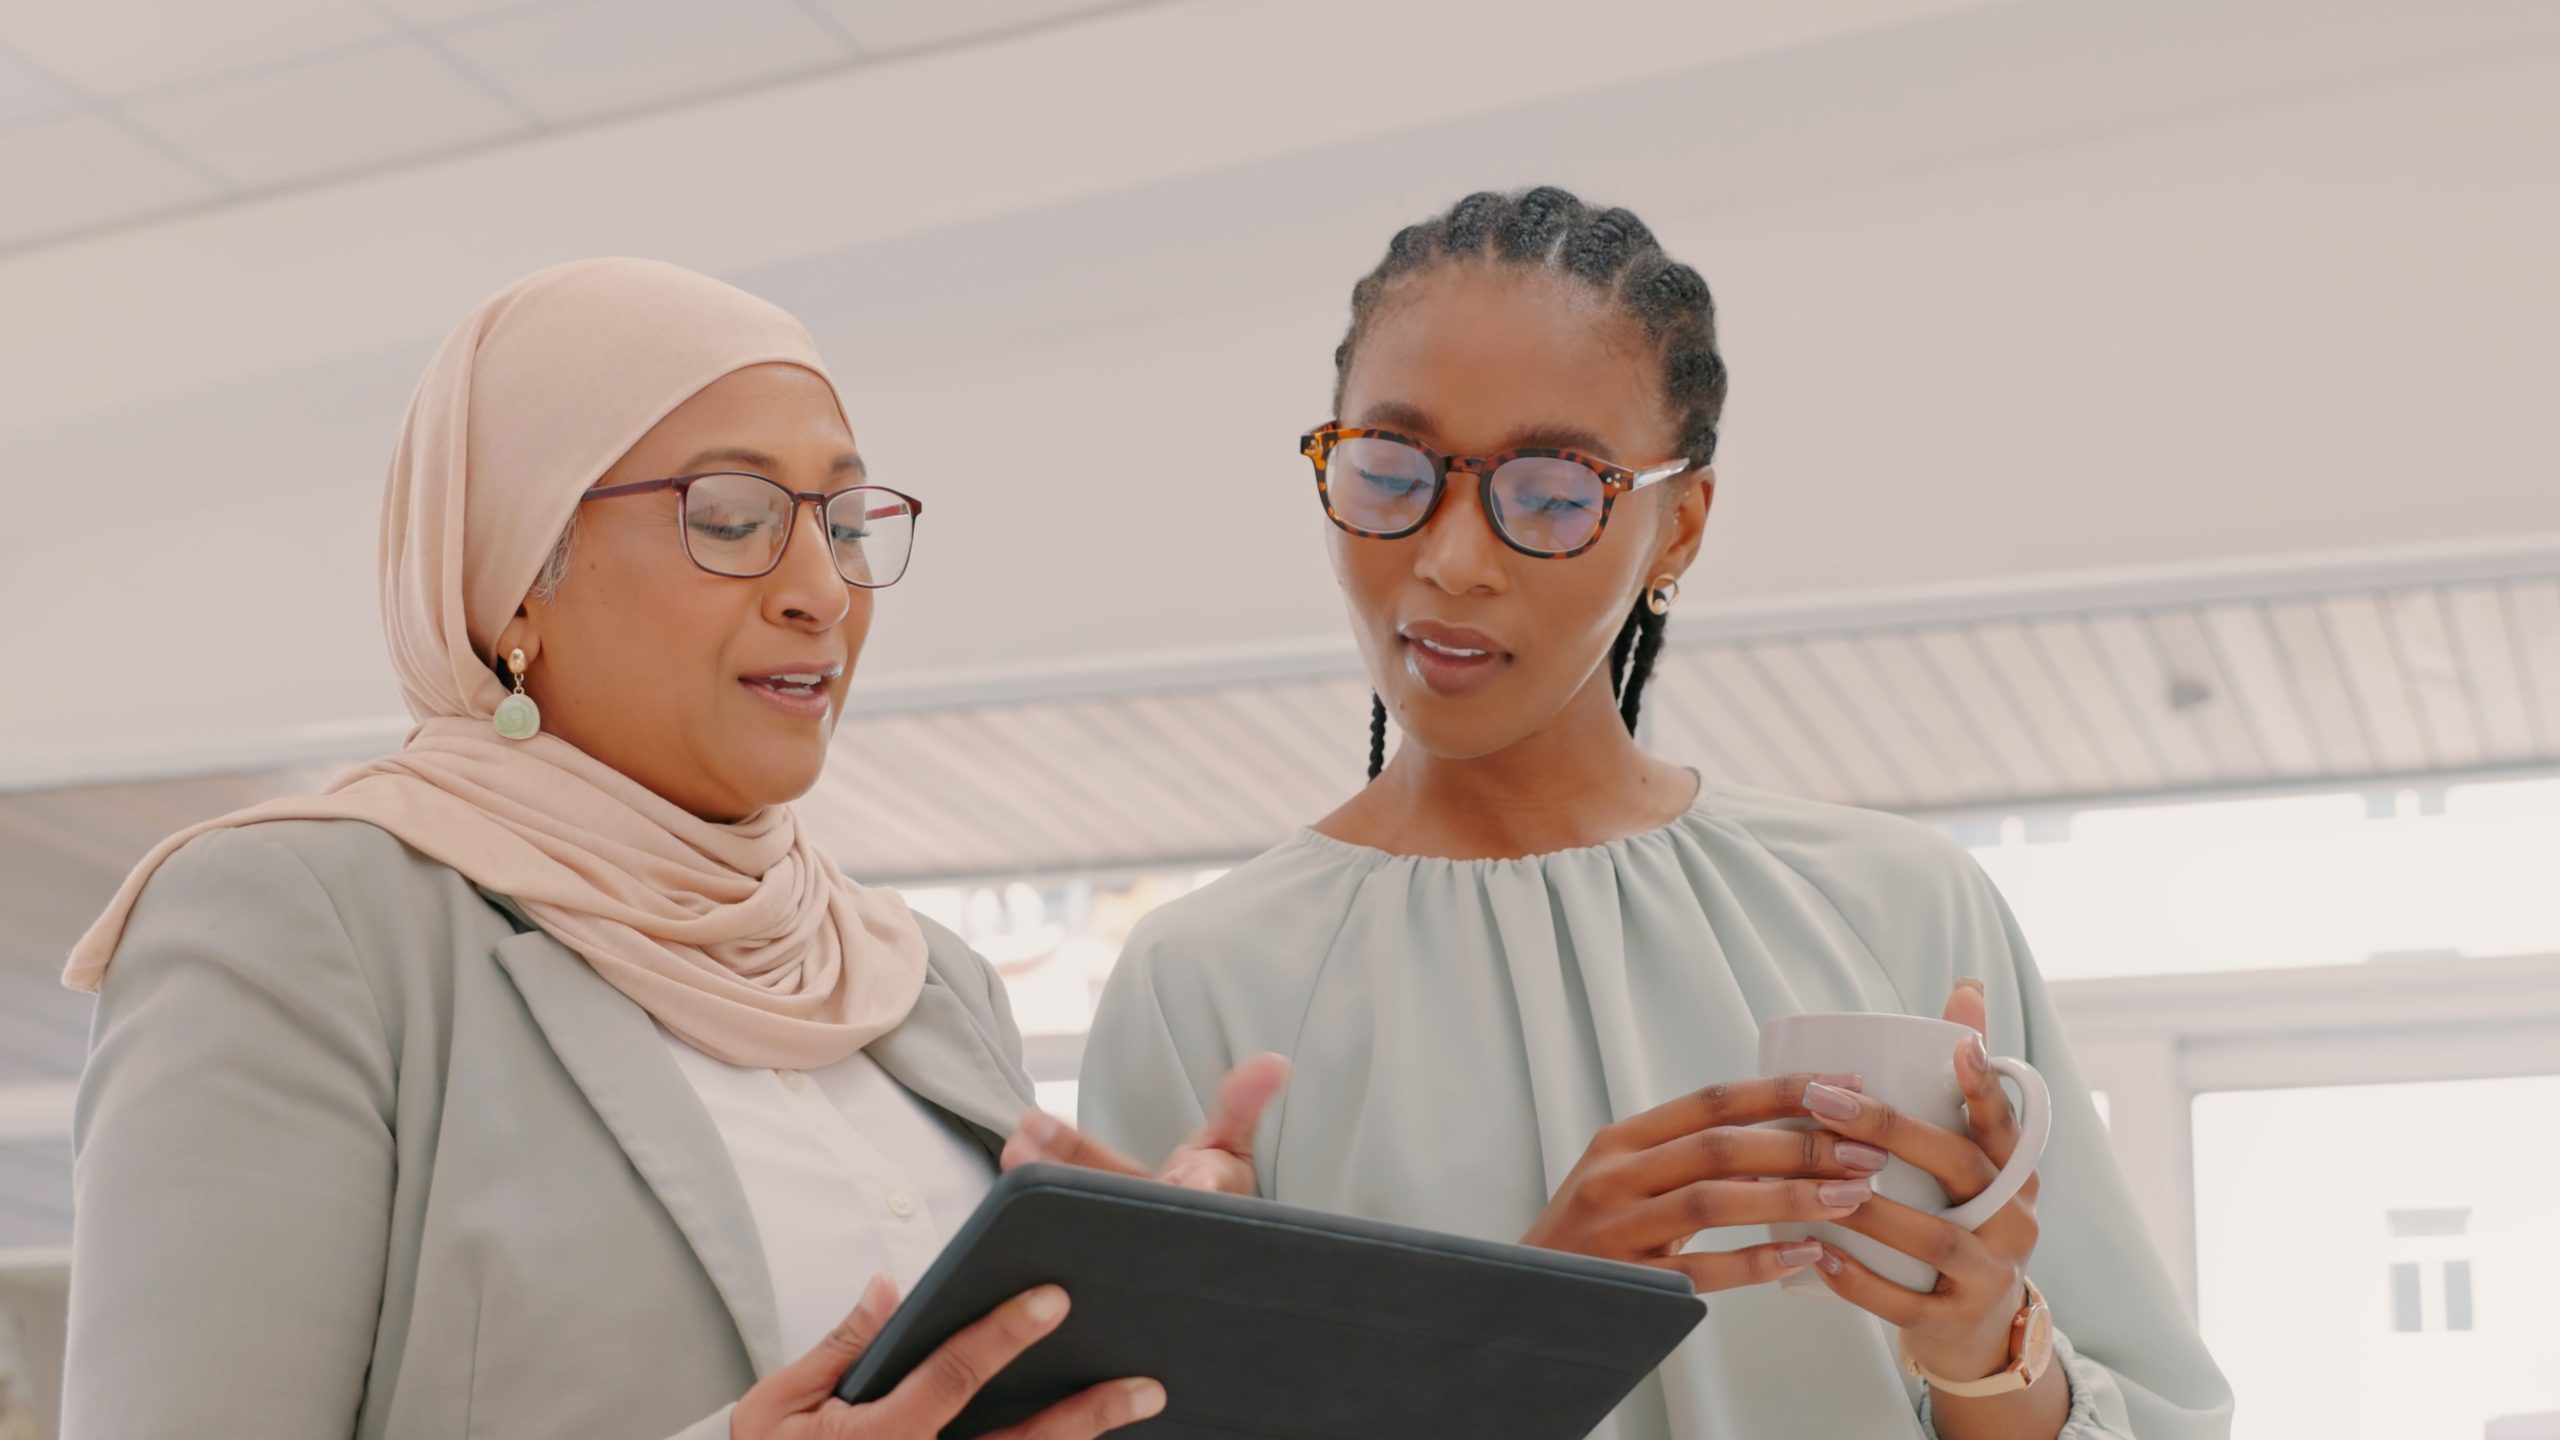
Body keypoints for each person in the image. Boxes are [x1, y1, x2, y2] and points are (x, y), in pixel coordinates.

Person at [1041, 188, 2234, 1439]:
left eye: (1551, 494)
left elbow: (2152, 1410)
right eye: (1391, 472)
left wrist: (1987, 1355)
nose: (1450, 557)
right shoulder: (1208, 985)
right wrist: (1533, 1321)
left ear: (1681, 527)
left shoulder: (1896, 905)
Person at [60, 259, 1170, 1440]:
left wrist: (1198, 1318)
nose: (823, 591)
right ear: (516, 581)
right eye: (733, 519)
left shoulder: (926, 984)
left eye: (844, 525)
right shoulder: (300, 920)